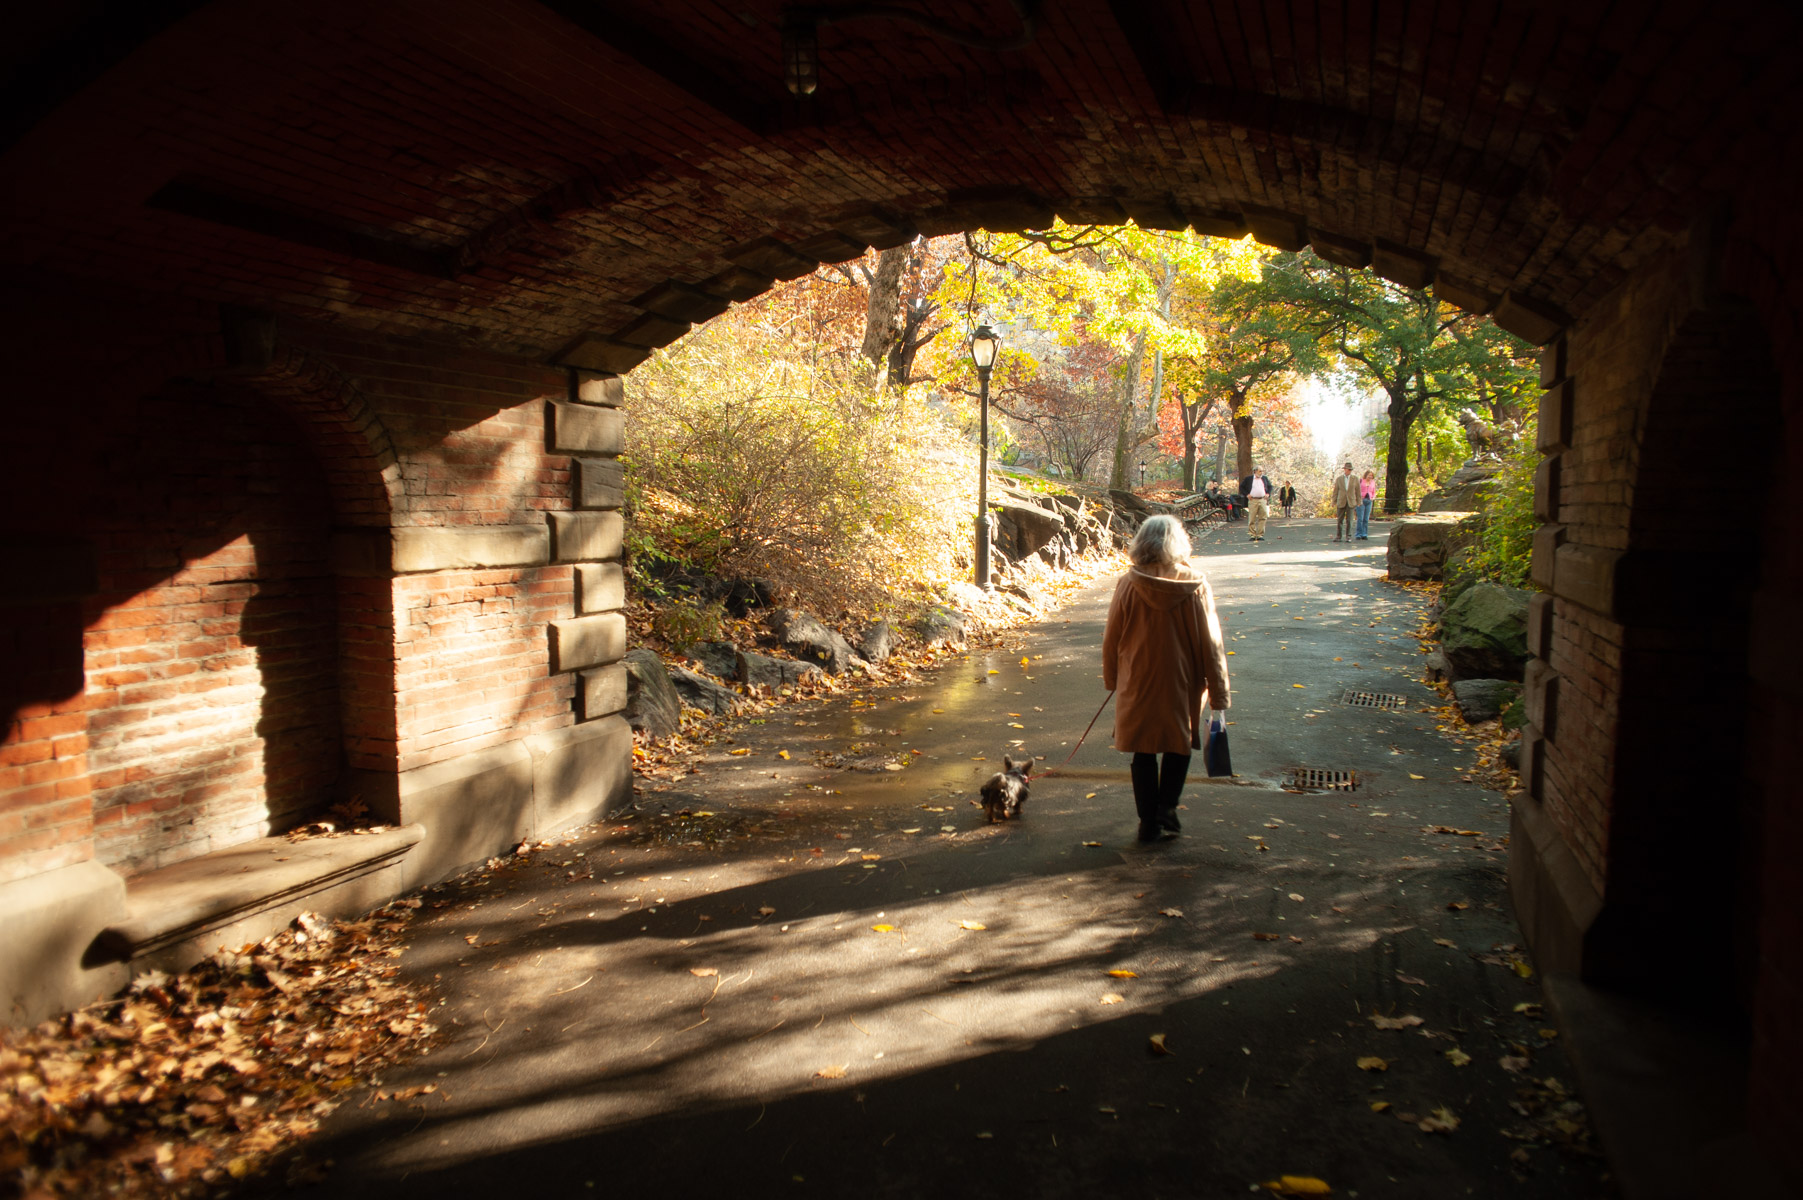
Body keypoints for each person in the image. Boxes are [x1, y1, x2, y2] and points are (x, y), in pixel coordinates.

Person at [1102, 515, 1231, 842]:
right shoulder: (1196, 584)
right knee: (1179, 744)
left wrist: (1113, 679)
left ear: (1141, 543)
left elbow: (1112, 637)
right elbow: (1211, 643)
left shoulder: (1128, 583)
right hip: (1182, 681)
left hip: (1137, 679)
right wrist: (1218, 695)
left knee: (1143, 750)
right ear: (1178, 543)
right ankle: (1167, 808)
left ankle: (1148, 820)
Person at [1240, 466, 1271, 541]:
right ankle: (1252, 535)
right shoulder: (1249, 479)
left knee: (1263, 517)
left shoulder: (1264, 478)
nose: (1261, 473)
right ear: (1255, 471)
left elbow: (1270, 486)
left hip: (1262, 499)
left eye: (1262, 471)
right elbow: (1241, 487)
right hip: (1253, 500)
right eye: (1260, 471)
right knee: (1252, 518)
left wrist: (1268, 493)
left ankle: (1260, 534)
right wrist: (1247, 494)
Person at [1331, 462, 1359, 542]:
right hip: (1341, 501)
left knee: (1349, 520)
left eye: (1350, 470)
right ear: (1345, 469)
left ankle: (1348, 536)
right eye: (1348, 469)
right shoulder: (1339, 479)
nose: (1349, 471)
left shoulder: (1355, 479)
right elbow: (1336, 491)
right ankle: (1338, 536)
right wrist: (1334, 501)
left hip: (1351, 501)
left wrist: (1359, 501)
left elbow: (1358, 491)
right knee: (1340, 520)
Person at [1356, 469, 1376, 539]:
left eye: (1371, 475)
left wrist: (1373, 497)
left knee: (1366, 519)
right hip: (1361, 500)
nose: (1370, 477)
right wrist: (1358, 498)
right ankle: (1358, 534)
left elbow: (1373, 491)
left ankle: (1364, 534)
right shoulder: (1361, 481)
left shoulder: (1373, 482)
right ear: (1366, 475)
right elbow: (1356, 490)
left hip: (1369, 501)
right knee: (1360, 518)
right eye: (1369, 475)